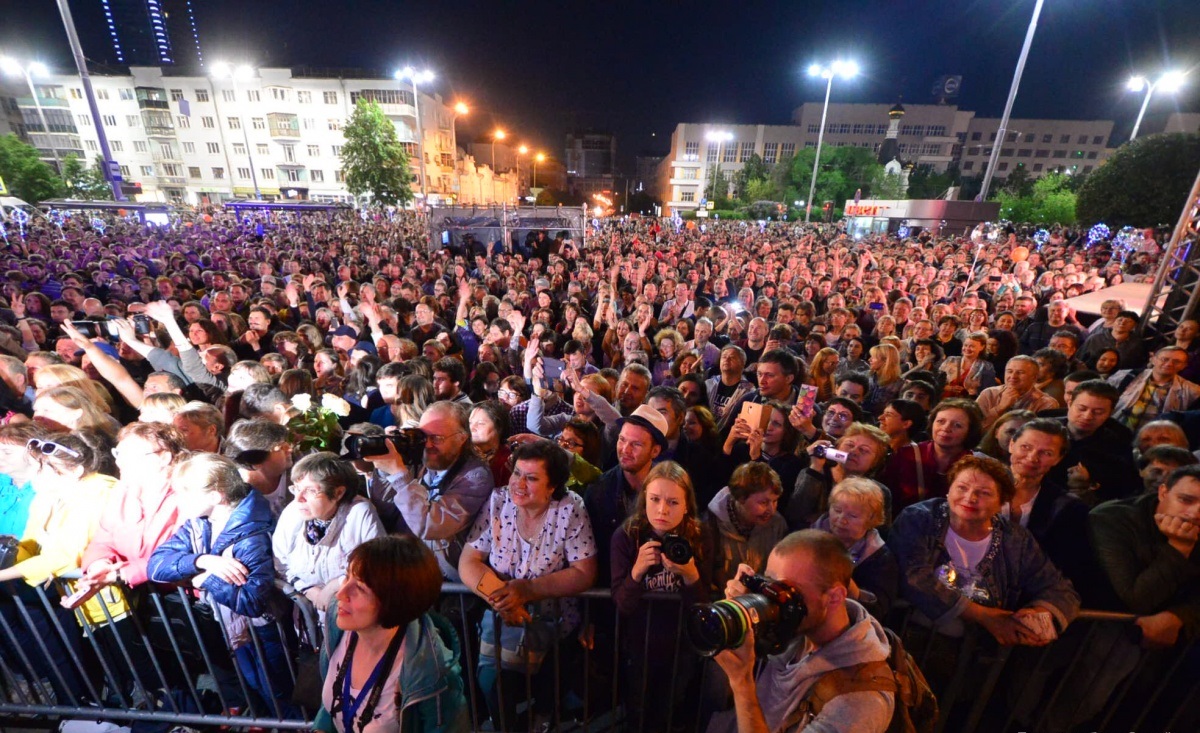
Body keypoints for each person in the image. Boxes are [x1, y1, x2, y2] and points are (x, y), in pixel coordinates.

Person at [458, 439, 597, 731]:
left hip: (555, 625)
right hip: (502, 620)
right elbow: (469, 560)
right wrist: (502, 600)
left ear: (553, 485)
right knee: (494, 687)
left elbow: (585, 571)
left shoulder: (570, 509)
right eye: (517, 473)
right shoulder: (498, 502)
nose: (519, 484)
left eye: (532, 478)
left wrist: (528, 590)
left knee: (546, 699)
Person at [148, 452, 295, 715]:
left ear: (216, 496)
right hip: (235, 628)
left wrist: (207, 580)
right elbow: (156, 565)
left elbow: (252, 601)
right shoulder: (200, 524)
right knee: (260, 688)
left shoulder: (252, 533)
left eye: (185, 493)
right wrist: (203, 560)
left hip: (265, 630)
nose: (178, 501)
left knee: (280, 692)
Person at [710, 531, 895, 733]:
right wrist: (739, 614)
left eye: (789, 592)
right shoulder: (799, 628)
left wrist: (742, 682)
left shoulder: (860, 701)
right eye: (769, 583)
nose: (774, 601)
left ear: (834, 597)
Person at [888, 455, 1080, 645]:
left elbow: (1058, 588)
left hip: (980, 648)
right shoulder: (920, 518)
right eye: (961, 488)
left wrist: (1039, 613)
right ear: (948, 490)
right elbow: (914, 577)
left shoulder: (1015, 538)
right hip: (916, 638)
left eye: (985, 493)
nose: (970, 498)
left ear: (1001, 502)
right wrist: (983, 615)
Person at [314, 534, 468, 733]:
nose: (340, 594)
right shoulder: (338, 624)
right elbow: (334, 705)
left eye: (359, 587)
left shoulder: (433, 672)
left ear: (394, 600)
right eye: (347, 576)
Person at [610, 461, 712, 732]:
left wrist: (690, 574)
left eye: (673, 502)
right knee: (638, 711)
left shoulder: (699, 537)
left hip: (682, 646)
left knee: (671, 712)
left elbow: (703, 609)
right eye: (654, 499)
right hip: (639, 644)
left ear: (687, 505)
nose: (662, 510)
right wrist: (637, 572)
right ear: (644, 500)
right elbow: (621, 604)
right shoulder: (626, 536)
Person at [364, 401, 493, 581]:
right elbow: (386, 509)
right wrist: (386, 467)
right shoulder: (423, 459)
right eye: (423, 436)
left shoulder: (475, 476)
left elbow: (429, 526)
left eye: (437, 438)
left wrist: (399, 475)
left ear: (462, 437)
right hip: (406, 561)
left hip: (441, 577)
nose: (428, 445)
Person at [273, 452, 385, 613]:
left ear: (338, 493)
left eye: (310, 491)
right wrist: (309, 590)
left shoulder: (359, 512)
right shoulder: (293, 512)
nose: (299, 498)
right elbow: (281, 564)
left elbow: (377, 566)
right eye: (296, 488)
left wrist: (338, 583)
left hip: (353, 614)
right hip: (308, 621)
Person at [1003, 419, 1094, 594]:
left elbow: (1066, 566)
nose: (1032, 458)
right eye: (1026, 447)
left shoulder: (1068, 508)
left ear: (1058, 459)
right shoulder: (976, 490)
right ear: (1012, 445)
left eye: (1046, 453)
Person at [811, 478, 900, 619]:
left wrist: (849, 586)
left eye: (852, 516)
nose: (841, 519)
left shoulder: (880, 558)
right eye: (837, 510)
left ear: (871, 519)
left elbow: (879, 609)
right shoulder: (806, 536)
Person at [879, 398, 985, 514]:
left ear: (970, 431)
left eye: (957, 425)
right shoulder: (906, 455)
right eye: (940, 421)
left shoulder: (975, 465)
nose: (946, 428)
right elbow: (886, 499)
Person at [1047, 380, 1140, 505]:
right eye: (1082, 408)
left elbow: (1121, 490)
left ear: (1110, 413)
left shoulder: (1118, 445)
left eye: (1098, 412)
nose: (1087, 416)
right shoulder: (1044, 430)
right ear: (1069, 404)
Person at [786, 423, 892, 530]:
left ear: (875, 461)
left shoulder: (879, 492)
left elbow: (880, 531)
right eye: (850, 445)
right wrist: (815, 467)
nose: (854, 452)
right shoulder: (813, 472)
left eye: (864, 450)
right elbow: (795, 514)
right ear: (838, 446)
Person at [706, 461, 789, 593]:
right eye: (764, 502)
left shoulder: (777, 524)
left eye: (775, 501)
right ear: (740, 498)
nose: (771, 510)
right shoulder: (711, 524)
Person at [1109, 346, 1200, 433]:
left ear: (1183, 366)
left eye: (1176, 361)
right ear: (1153, 359)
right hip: (1114, 432)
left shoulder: (1193, 391)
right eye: (1164, 359)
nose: (1169, 364)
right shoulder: (1124, 376)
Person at [975, 356, 1060, 429]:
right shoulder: (988, 393)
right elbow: (975, 428)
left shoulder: (1047, 404)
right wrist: (999, 408)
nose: (1013, 376)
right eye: (1009, 371)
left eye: (1020, 372)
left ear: (1034, 377)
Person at [939, 332, 997, 400]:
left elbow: (988, 391)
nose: (967, 348)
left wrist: (973, 392)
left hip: (968, 404)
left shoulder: (986, 367)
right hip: (944, 401)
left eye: (972, 346)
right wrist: (948, 388)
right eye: (965, 345)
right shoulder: (951, 360)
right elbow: (937, 380)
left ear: (982, 347)